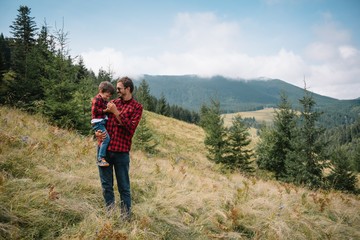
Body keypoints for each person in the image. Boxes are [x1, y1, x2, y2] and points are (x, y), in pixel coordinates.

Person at [95, 76, 143, 220]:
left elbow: (130, 128)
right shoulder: (112, 103)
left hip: (121, 152)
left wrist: (116, 112)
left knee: (124, 188)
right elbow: (99, 119)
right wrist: (96, 132)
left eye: (119, 88)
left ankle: (125, 217)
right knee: (106, 186)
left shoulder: (137, 107)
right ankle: (110, 215)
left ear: (128, 89)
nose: (117, 91)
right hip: (104, 151)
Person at [91, 81, 115, 167]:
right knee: (106, 139)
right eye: (107, 95)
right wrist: (106, 111)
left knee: (103, 139)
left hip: (101, 121)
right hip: (98, 122)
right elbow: (95, 111)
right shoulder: (97, 99)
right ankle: (100, 158)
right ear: (101, 91)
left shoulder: (103, 100)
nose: (108, 98)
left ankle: (101, 157)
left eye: (109, 96)